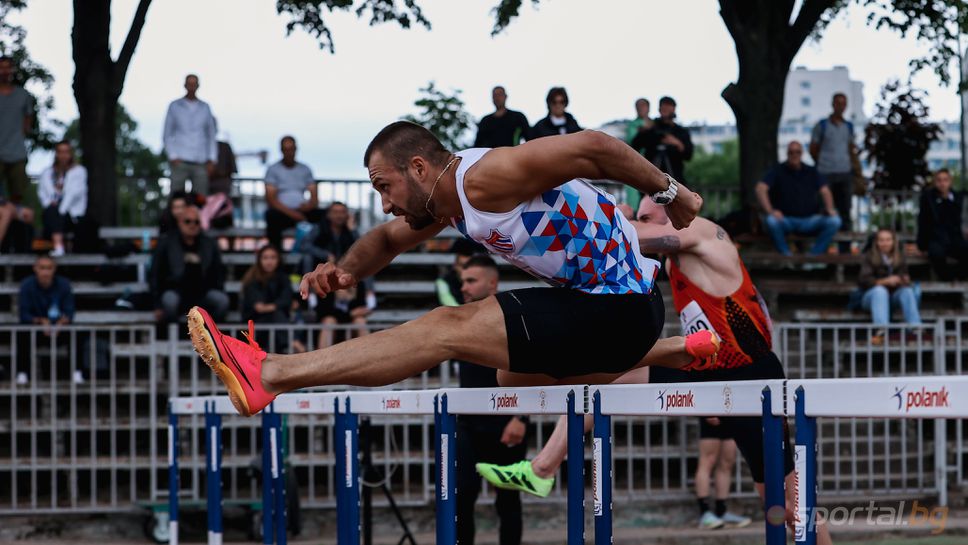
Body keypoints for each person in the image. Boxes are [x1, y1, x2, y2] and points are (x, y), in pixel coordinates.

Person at [188, 121, 714, 419]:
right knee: (508, 377)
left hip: (618, 303)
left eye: (385, 187)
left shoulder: (486, 178)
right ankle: (666, 350)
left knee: (447, 326)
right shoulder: (445, 204)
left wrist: (673, 192)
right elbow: (386, 239)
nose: (386, 203)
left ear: (419, 168)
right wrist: (345, 271)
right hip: (611, 313)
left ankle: (271, 374)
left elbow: (594, 146)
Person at [476, 199, 832, 544]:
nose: (639, 222)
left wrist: (614, 213)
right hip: (701, 366)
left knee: (786, 503)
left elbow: (623, 235)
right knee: (605, 375)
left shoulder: (702, 231)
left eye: (646, 216)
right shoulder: (674, 260)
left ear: (669, 212)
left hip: (750, 375)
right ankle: (542, 468)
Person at [455, 255, 528, 545]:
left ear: (492, 283)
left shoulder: (513, 319)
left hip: (506, 424)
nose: (464, 287)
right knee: (461, 496)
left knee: (508, 501)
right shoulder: (456, 319)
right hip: (467, 424)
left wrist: (521, 418)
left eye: (471, 281)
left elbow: (530, 370)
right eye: (463, 281)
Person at [756, 141, 841, 257]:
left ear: (801, 153)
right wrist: (770, 211)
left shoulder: (811, 171)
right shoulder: (777, 170)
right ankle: (787, 256)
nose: (794, 155)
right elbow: (760, 188)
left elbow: (825, 191)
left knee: (834, 221)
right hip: (785, 220)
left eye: (797, 152)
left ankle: (813, 257)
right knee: (771, 221)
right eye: (791, 152)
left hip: (810, 220)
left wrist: (830, 208)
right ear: (787, 154)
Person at [151, 205, 229, 323]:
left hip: (203, 293)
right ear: (179, 222)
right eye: (188, 221)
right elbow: (155, 275)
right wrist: (157, 305)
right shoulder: (166, 243)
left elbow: (219, 273)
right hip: (175, 291)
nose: (192, 225)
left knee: (222, 301)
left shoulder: (209, 244)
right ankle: (178, 332)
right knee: (169, 301)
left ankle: (207, 332)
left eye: (196, 222)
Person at [16, 255, 77, 384]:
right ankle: (23, 372)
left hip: (59, 330)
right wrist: (40, 321)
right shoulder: (27, 285)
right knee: (21, 334)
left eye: (49, 268)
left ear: (54, 269)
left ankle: (77, 371)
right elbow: (24, 314)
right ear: (35, 268)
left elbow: (69, 312)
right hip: (36, 330)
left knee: (78, 334)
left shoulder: (64, 285)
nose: (45, 272)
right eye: (42, 268)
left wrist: (61, 323)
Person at [859, 228, 922, 344]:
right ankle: (881, 331)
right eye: (881, 240)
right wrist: (885, 281)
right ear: (876, 242)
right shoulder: (869, 256)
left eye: (888, 240)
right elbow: (864, 281)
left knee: (907, 291)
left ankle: (915, 329)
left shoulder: (900, 256)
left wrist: (903, 280)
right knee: (880, 291)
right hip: (871, 298)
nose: (885, 243)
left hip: (892, 296)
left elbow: (904, 276)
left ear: (893, 241)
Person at [809, 93, 856, 242]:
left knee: (845, 210)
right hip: (825, 172)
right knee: (824, 209)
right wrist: (823, 162)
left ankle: (845, 247)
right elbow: (813, 148)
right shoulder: (822, 125)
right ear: (833, 104)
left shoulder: (849, 127)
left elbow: (850, 148)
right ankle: (821, 244)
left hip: (844, 172)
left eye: (843, 103)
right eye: (838, 103)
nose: (840, 106)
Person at [264, 135, 324, 249]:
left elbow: (314, 196)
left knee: (325, 216)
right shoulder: (273, 170)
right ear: (281, 150)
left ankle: (319, 252)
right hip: (282, 212)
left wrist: (309, 206)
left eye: (291, 149)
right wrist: (293, 214)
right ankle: (276, 252)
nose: (289, 153)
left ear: (296, 149)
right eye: (286, 150)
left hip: (302, 211)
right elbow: (271, 200)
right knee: (271, 216)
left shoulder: (305, 169)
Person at [163, 74, 217, 194]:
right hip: (180, 160)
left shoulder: (205, 107)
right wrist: (173, 156)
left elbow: (211, 135)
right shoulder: (174, 106)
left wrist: (211, 158)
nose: (191, 87)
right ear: (185, 85)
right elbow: (167, 134)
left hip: (200, 161)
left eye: (194, 84)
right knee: (177, 197)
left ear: (198, 86)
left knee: (200, 197)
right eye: (189, 84)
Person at [694, 419, 751, 529]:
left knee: (727, 462)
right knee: (707, 461)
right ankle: (704, 513)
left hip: (729, 416)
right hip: (710, 414)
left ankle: (722, 511)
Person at [917, 168, 968, 281]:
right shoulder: (928, 198)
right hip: (936, 239)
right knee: (936, 254)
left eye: (945, 180)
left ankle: (960, 278)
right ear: (935, 182)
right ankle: (948, 279)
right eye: (939, 180)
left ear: (950, 181)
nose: (942, 183)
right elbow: (923, 221)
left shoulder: (958, 197)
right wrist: (922, 246)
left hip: (955, 238)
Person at [38, 140, 87, 256]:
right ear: (56, 153)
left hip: (72, 215)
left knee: (53, 213)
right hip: (51, 214)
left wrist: (60, 210)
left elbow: (73, 194)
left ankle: (58, 247)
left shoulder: (79, 171)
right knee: (51, 212)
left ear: (71, 153)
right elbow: (42, 193)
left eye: (66, 152)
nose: (63, 155)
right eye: (60, 152)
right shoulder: (47, 172)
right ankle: (58, 246)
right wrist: (50, 204)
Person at [241, 245, 293, 352]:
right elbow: (259, 308)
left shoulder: (283, 278)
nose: (269, 261)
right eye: (265, 258)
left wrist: (272, 307)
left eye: (273, 257)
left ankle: (290, 343)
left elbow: (287, 300)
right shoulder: (252, 280)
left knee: (277, 315)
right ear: (259, 260)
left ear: (278, 260)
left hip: (277, 322)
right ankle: (293, 342)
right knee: (276, 315)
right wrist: (277, 306)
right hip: (256, 323)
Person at [631, 96, 693, 184]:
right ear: (659, 110)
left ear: (673, 110)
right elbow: (635, 146)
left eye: (669, 109)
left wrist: (677, 143)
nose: (666, 112)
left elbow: (688, 155)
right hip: (651, 179)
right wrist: (644, 131)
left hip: (675, 179)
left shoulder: (680, 132)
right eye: (664, 109)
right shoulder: (651, 128)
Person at [0, 56, 34, 205]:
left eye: (8, 67)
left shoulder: (23, 95)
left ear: (12, 70)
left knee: (17, 197)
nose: (4, 71)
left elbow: (27, 121)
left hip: (17, 153)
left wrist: (19, 137)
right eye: (1, 67)